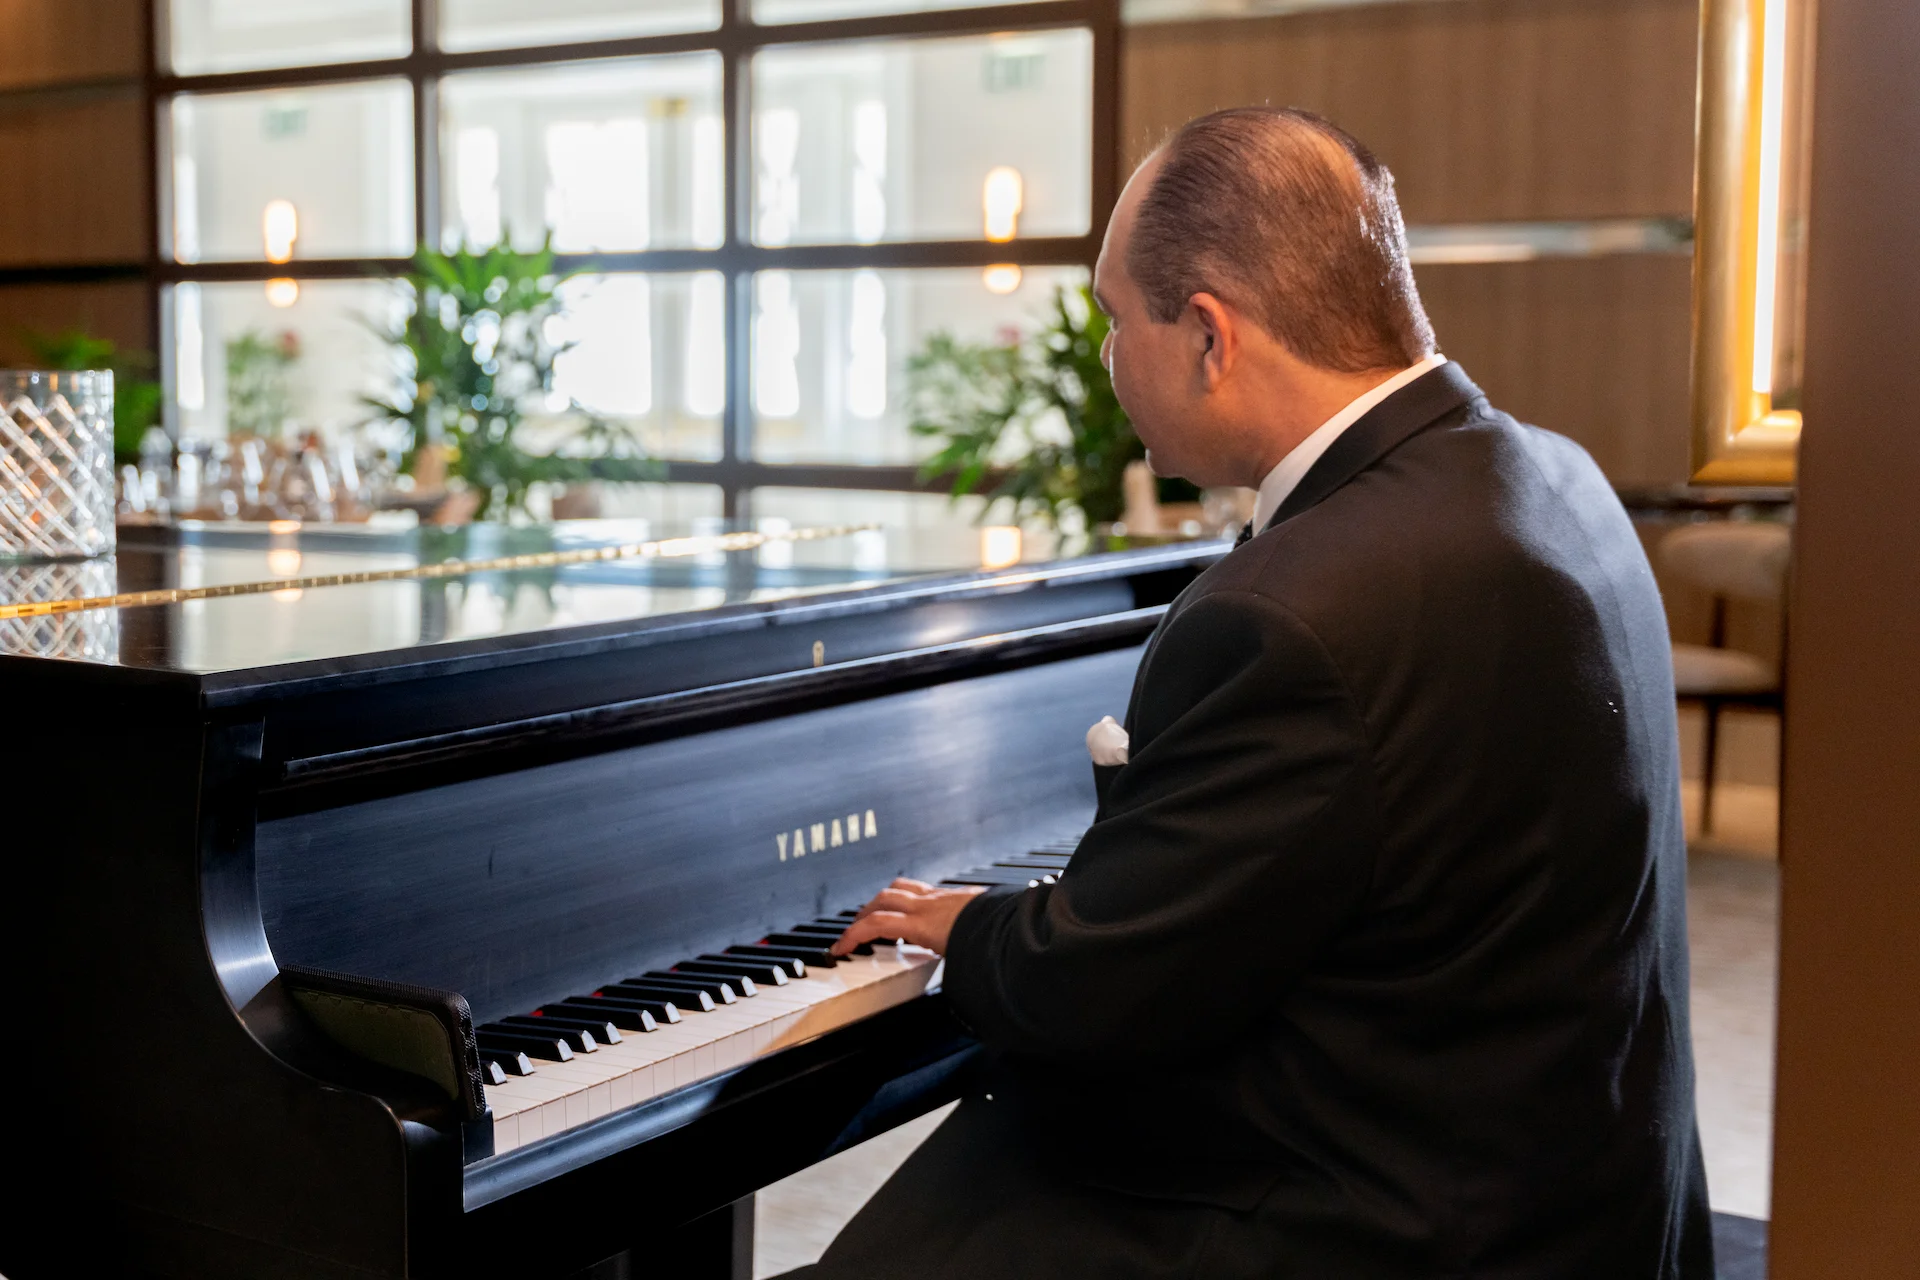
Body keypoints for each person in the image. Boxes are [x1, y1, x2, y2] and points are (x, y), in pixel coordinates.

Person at [806, 106, 1713, 1279]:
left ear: (1208, 335)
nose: (1104, 358)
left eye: (1113, 319)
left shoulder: (1292, 610)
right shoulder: (1555, 477)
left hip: (1395, 1222)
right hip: (1585, 1188)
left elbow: (1099, 987)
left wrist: (976, 924)